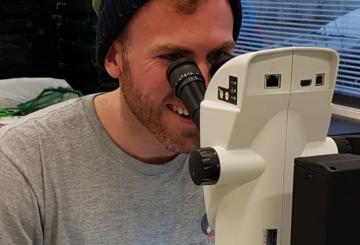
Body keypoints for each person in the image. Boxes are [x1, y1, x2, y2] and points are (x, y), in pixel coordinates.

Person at [0, 0, 242, 244]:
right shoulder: (23, 164)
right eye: (174, 58)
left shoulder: (246, 146)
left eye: (218, 57)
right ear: (114, 58)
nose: (204, 87)